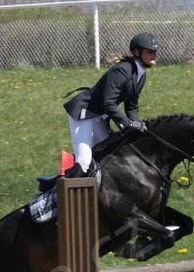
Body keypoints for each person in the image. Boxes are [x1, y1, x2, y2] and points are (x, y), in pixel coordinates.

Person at [62, 32, 159, 177]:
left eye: (155, 52)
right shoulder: (123, 70)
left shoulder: (141, 75)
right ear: (137, 52)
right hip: (84, 114)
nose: (154, 55)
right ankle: (56, 189)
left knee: (111, 154)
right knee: (84, 162)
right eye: (149, 51)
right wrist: (127, 124)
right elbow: (107, 103)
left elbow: (132, 106)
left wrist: (136, 125)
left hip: (99, 116)